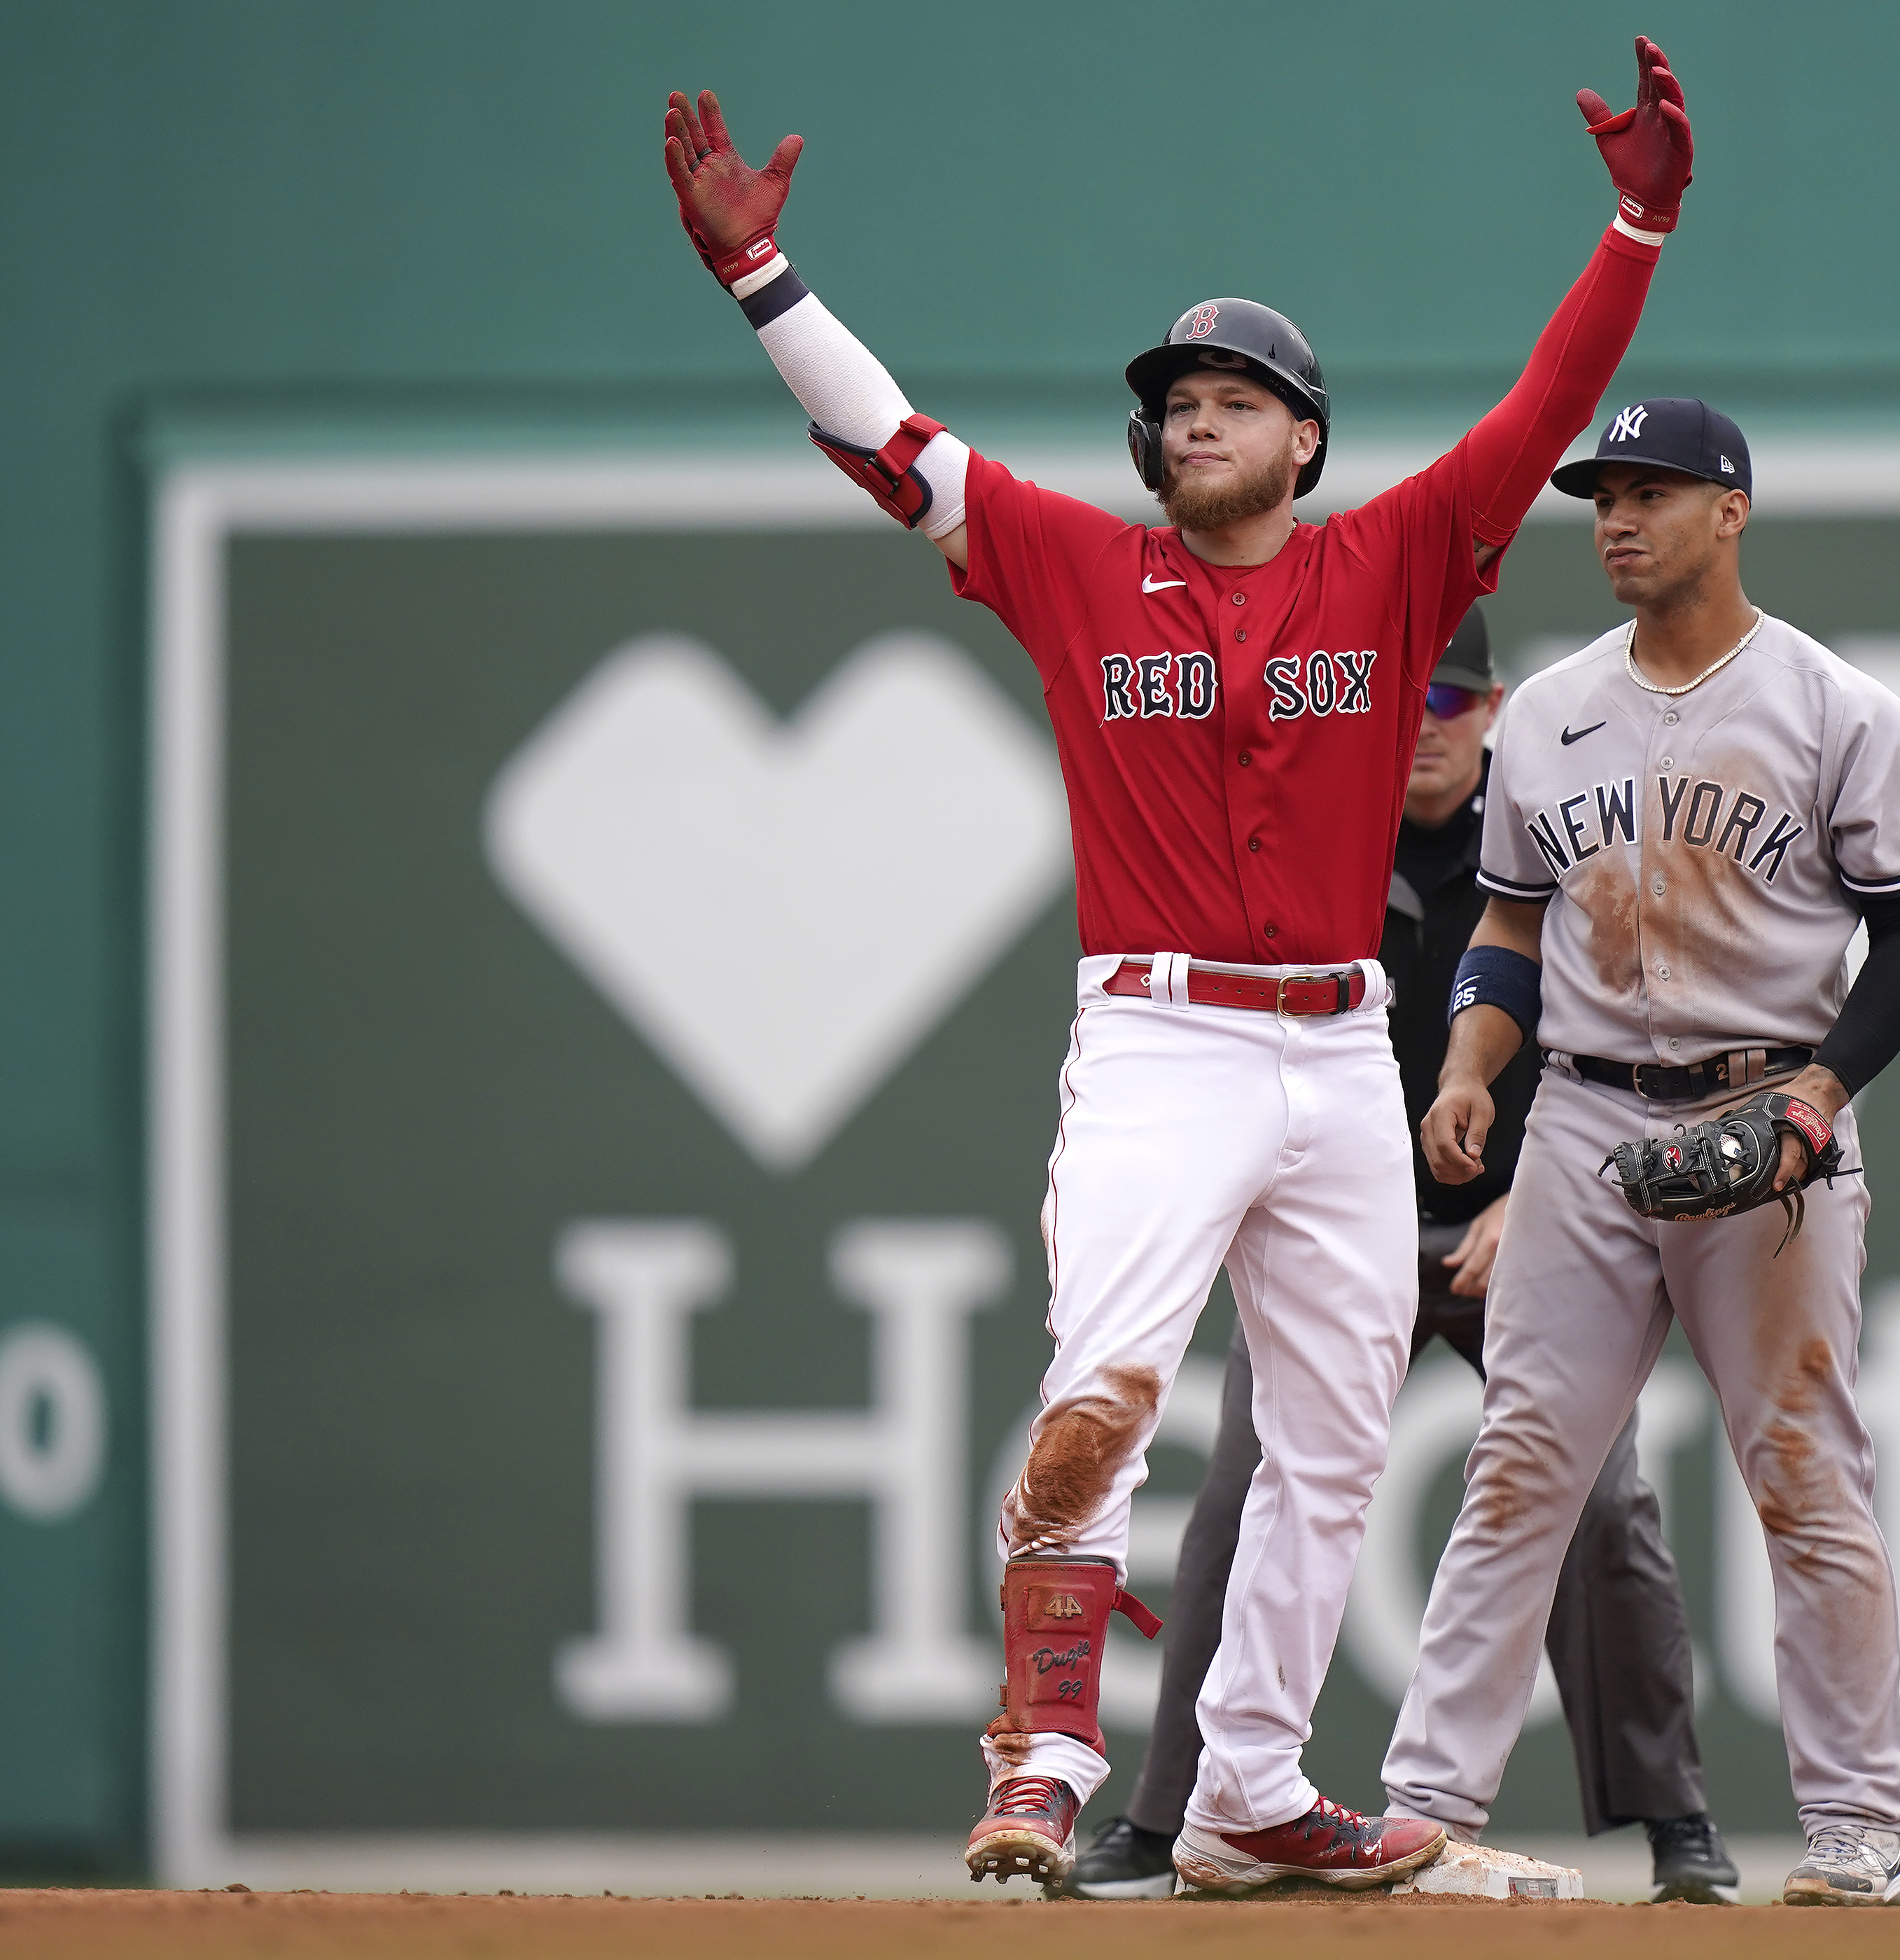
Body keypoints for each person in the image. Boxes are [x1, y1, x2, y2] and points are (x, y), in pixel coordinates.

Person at [658, 41, 1696, 1896]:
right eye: (1179, 399)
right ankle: (1046, 1758)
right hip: (1161, 1042)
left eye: (1237, 397)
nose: (1197, 417)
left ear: (1308, 437)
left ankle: (1248, 1793)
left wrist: (1634, 225)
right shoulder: (1076, 566)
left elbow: (1546, 415)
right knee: (1106, 1389)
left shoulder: (1391, 564)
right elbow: (895, 449)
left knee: (1329, 1435)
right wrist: (762, 284)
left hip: (1339, 1056)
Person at [1064, 607, 1741, 1905]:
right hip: (1339, 1227)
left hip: (1520, 1227)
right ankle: (1165, 1821)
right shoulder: (1315, 840)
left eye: (1451, 706)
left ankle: (1676, 1824)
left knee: (1602, 1505)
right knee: (1238, 1493)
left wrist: (1544, 1195)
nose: (1425, 732)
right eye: (1406, 704)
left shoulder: (1561, 838)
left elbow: (1630, 1045)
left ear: (1490, 715)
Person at [1378, 398, 1900, 1907]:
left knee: (1802, 1461)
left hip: (1767, 1113)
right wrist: (1468, 1067)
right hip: (1582, 1111)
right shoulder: (1555, 708)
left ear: (1732, 510)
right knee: (1522, 1458)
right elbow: (1508, 920)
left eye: (1653, 491)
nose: (1618, 517)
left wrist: (1826, 1092)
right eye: (1603, 495)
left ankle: (1851, 1825)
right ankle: (1426, 1803)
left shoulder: (1838, 708)